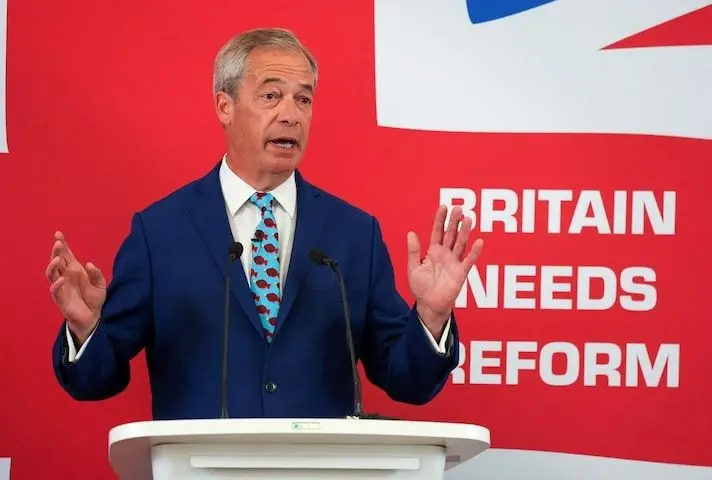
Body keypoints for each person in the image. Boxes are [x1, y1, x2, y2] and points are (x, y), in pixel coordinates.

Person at [46, 28, 483, 420]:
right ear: (225, 106)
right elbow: (95, 381)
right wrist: (85, 329)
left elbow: (408, 381)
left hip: (318, 469)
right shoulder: (159, 232)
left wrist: (431, 317)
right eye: (271, 96)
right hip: (201, 467)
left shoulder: (354, 234)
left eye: (304, 99)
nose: (291, 115)